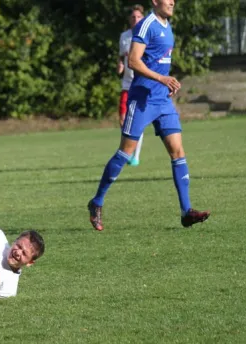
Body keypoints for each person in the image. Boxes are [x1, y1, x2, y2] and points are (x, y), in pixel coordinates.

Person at [87, 0, 210, 231]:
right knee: (126, 152)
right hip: (142, 99)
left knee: (177, 150)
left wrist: (168, 81)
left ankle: (186, 211)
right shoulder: (146, 25)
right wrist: (162, 79)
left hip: (162, 100)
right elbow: (133, 61)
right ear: (155, 1)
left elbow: (158, 62)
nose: (172, 1)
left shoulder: (167, 26)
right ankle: (97, 201)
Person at [117, 5, 145, 167]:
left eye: (138, 17)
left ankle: (135, 156)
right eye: (133, 17)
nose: (135, 20)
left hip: (140, 84)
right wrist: (120, 65)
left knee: (137, 121)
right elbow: (121, 56)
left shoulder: (146, 35)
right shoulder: (124, 37)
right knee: (122, 119)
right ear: (129, 19)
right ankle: (128, 147)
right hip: (127, 84)